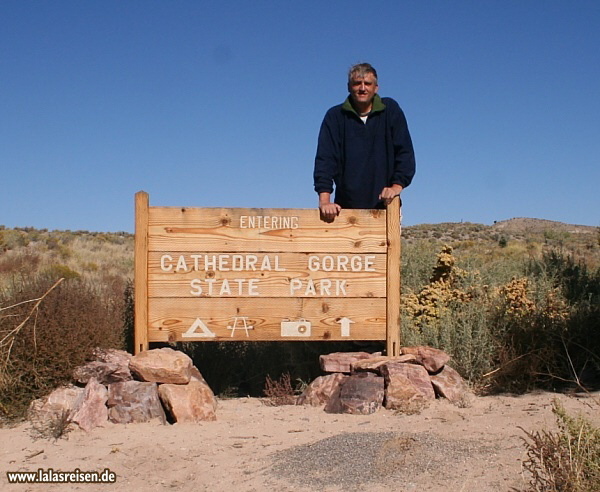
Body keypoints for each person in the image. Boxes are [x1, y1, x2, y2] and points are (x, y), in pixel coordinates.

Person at [313, 63, 416, 220]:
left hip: (385, 206)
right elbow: (325, 160)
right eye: (357, 83)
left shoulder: (390, 110)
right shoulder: (335, 117)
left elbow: (405, 152)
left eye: (367, 83)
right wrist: (325, 201)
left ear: (376, 88)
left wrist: (396, 187)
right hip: (344, 209)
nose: (362, 88)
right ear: (349, 87)